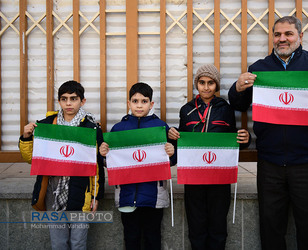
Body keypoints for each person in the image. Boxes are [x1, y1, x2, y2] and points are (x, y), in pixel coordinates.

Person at [228, 16, 308, 250]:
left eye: (288, 34)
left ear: (300, 36)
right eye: (277, 34)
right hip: (270, 161)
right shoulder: (259, 69)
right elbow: (238, 103)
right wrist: (237, 87)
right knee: (270, 227)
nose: (282, 39)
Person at [168, 64, 250, 250]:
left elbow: (233, 139)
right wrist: (171, 136)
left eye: (211, 83)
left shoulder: (226, 109)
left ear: (217, 85)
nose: (206, 87)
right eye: (202, 82)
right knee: (196, 225)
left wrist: (245, 139)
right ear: (197, 84)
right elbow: (181, 142)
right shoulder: (186, 109)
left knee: (218, 224)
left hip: (219, 179)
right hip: (194, 178)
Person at [18, 80, 105, 250]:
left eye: (73, 98)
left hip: (82, 194)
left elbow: (96, 167)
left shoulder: (91, 128)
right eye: (64, 99)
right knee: (58, 243)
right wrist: (26, 137)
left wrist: (96, 196)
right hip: (54, 191)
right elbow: (32, 159)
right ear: (59, 101)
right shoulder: (46, 125)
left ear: (82, 101)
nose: (68, 103)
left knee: (78, 243)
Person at [99, 82, 176, 250]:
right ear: (129, 103)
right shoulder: (119, 129)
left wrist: (171, 151)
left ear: (151, 104)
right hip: (127, 194)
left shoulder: (161, 127)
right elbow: (111, 163)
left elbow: (172, 159)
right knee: (131, 237)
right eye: (135, 101)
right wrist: (104, 154)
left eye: (144, 101)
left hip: (153, 195)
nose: (139, 105)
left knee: (152, 237)